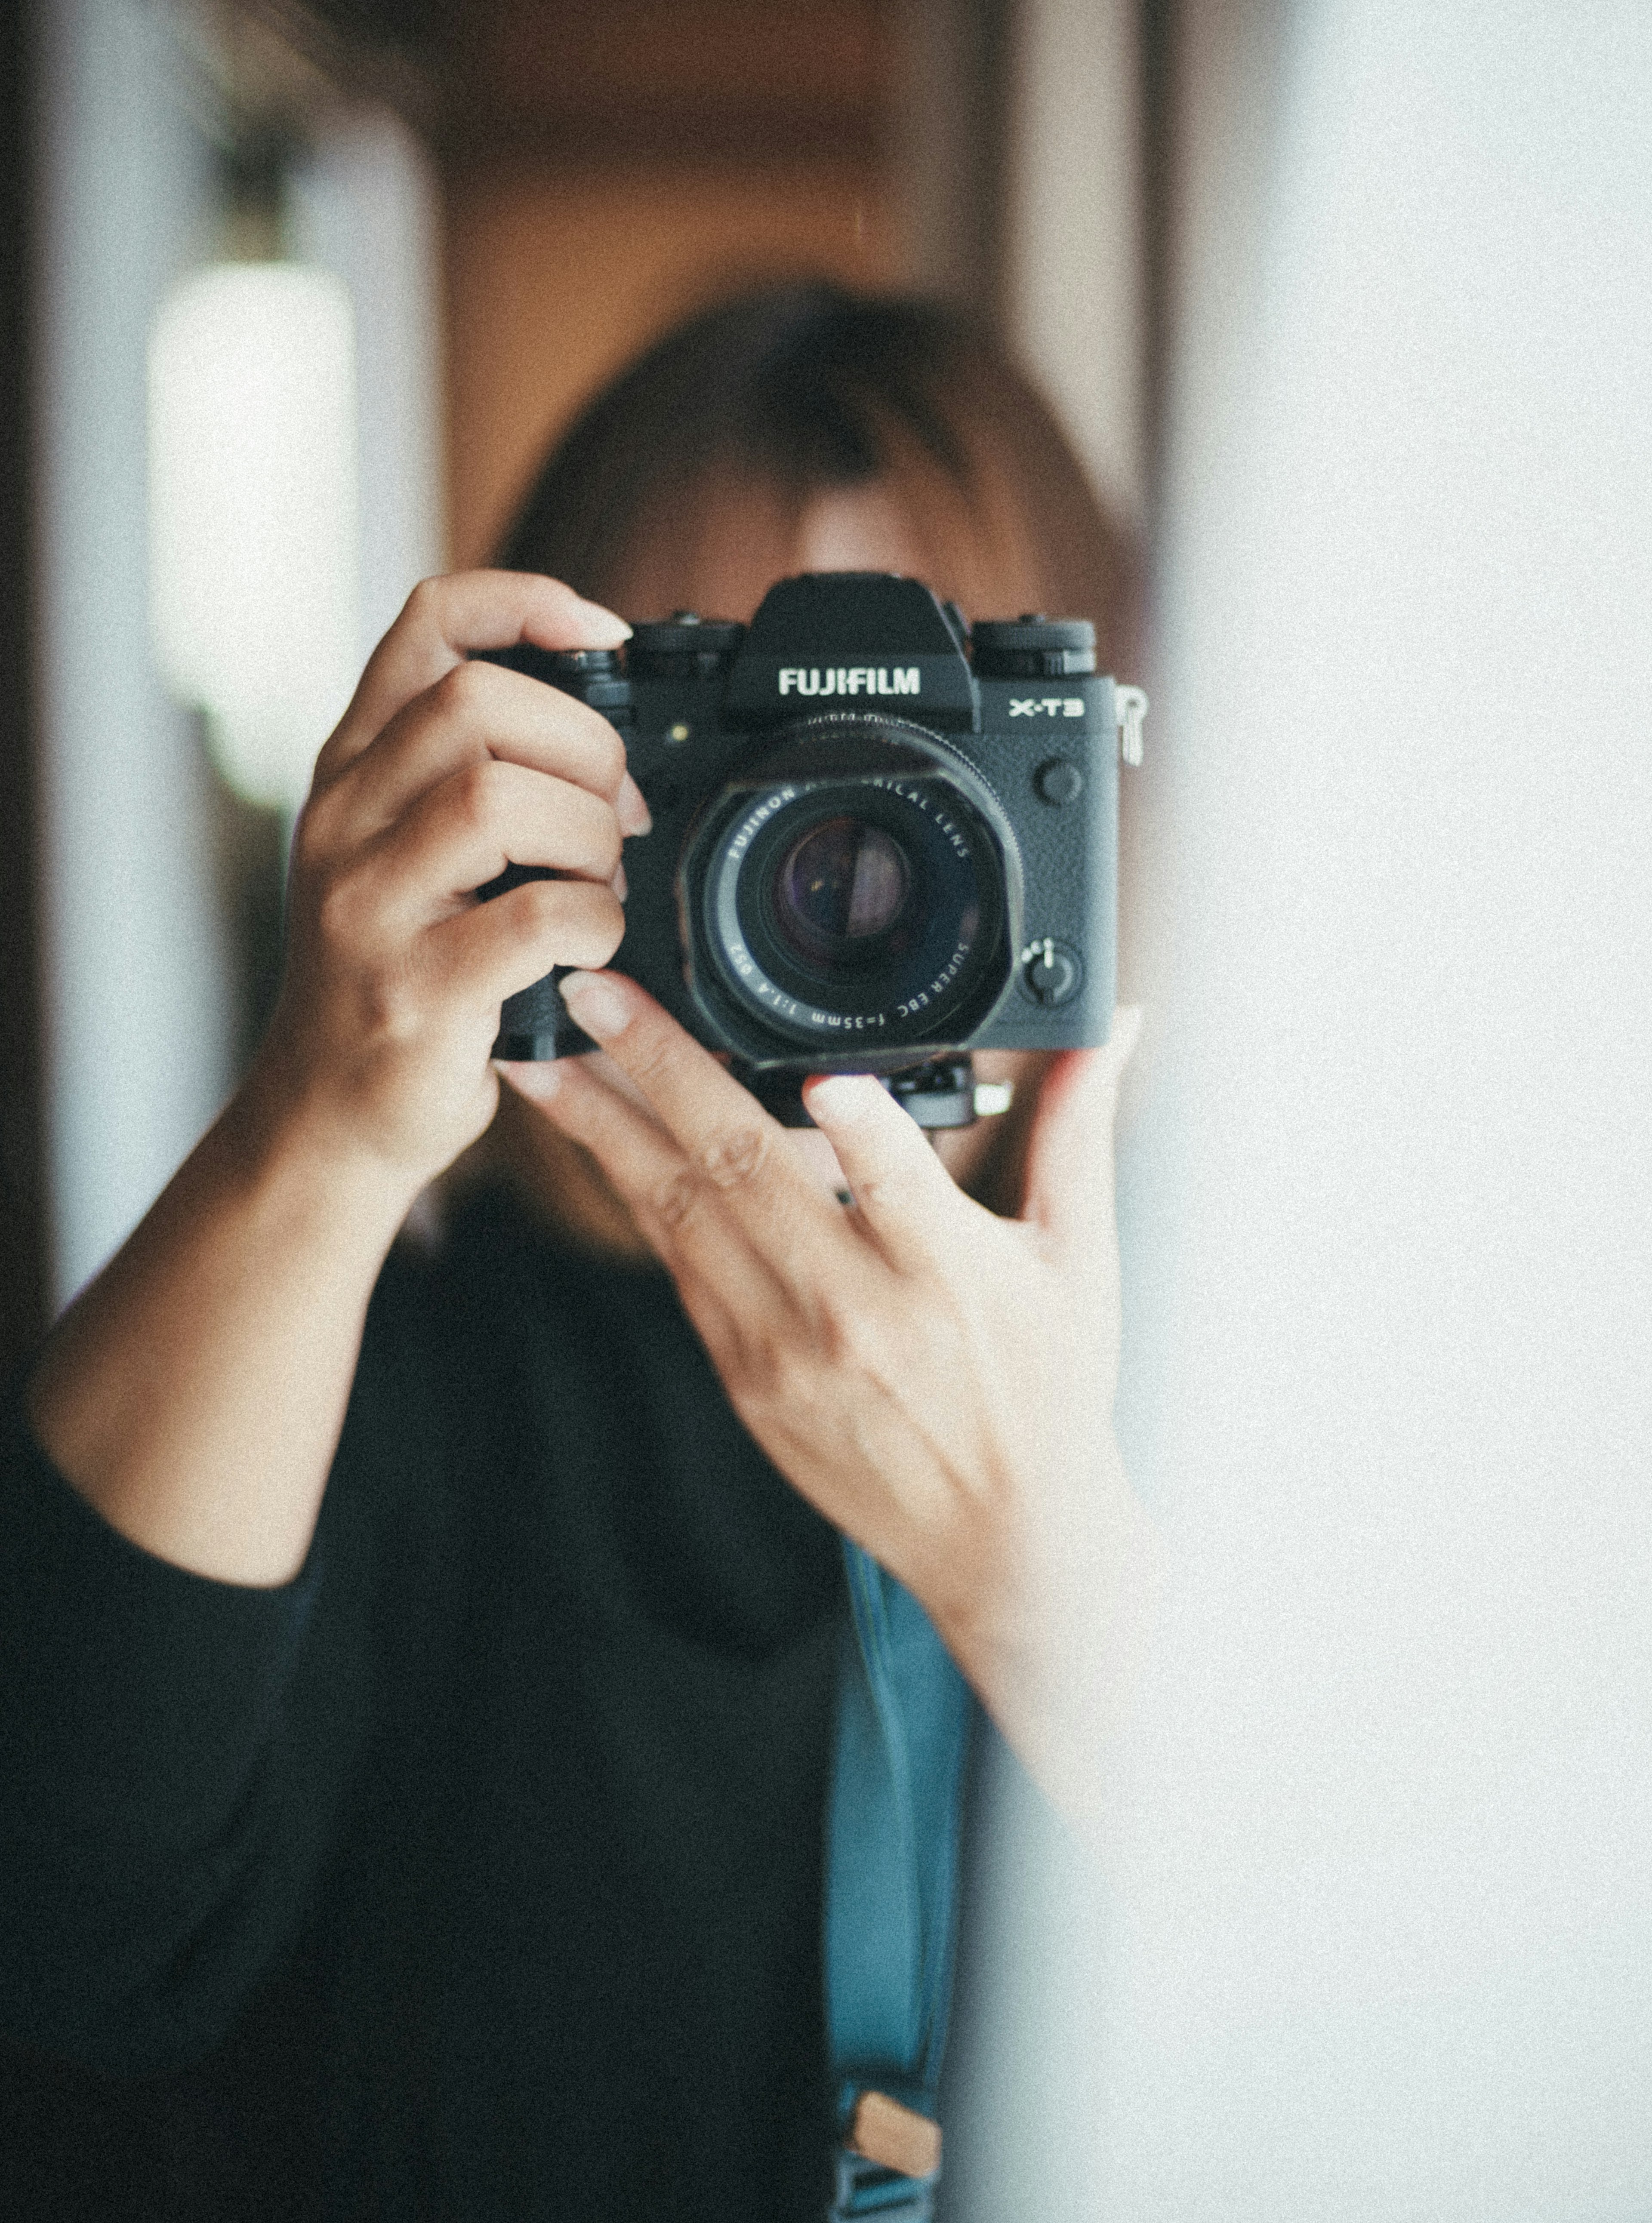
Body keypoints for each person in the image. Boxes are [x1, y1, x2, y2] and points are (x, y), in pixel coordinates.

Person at [0, 283, 1155, 2221]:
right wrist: (319, 1123)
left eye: (928, 743)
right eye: (735, 750)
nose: (840, 847)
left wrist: (1047, 1572)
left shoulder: (1305, 1346)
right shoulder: (406, 1372)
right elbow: (69, 1937)